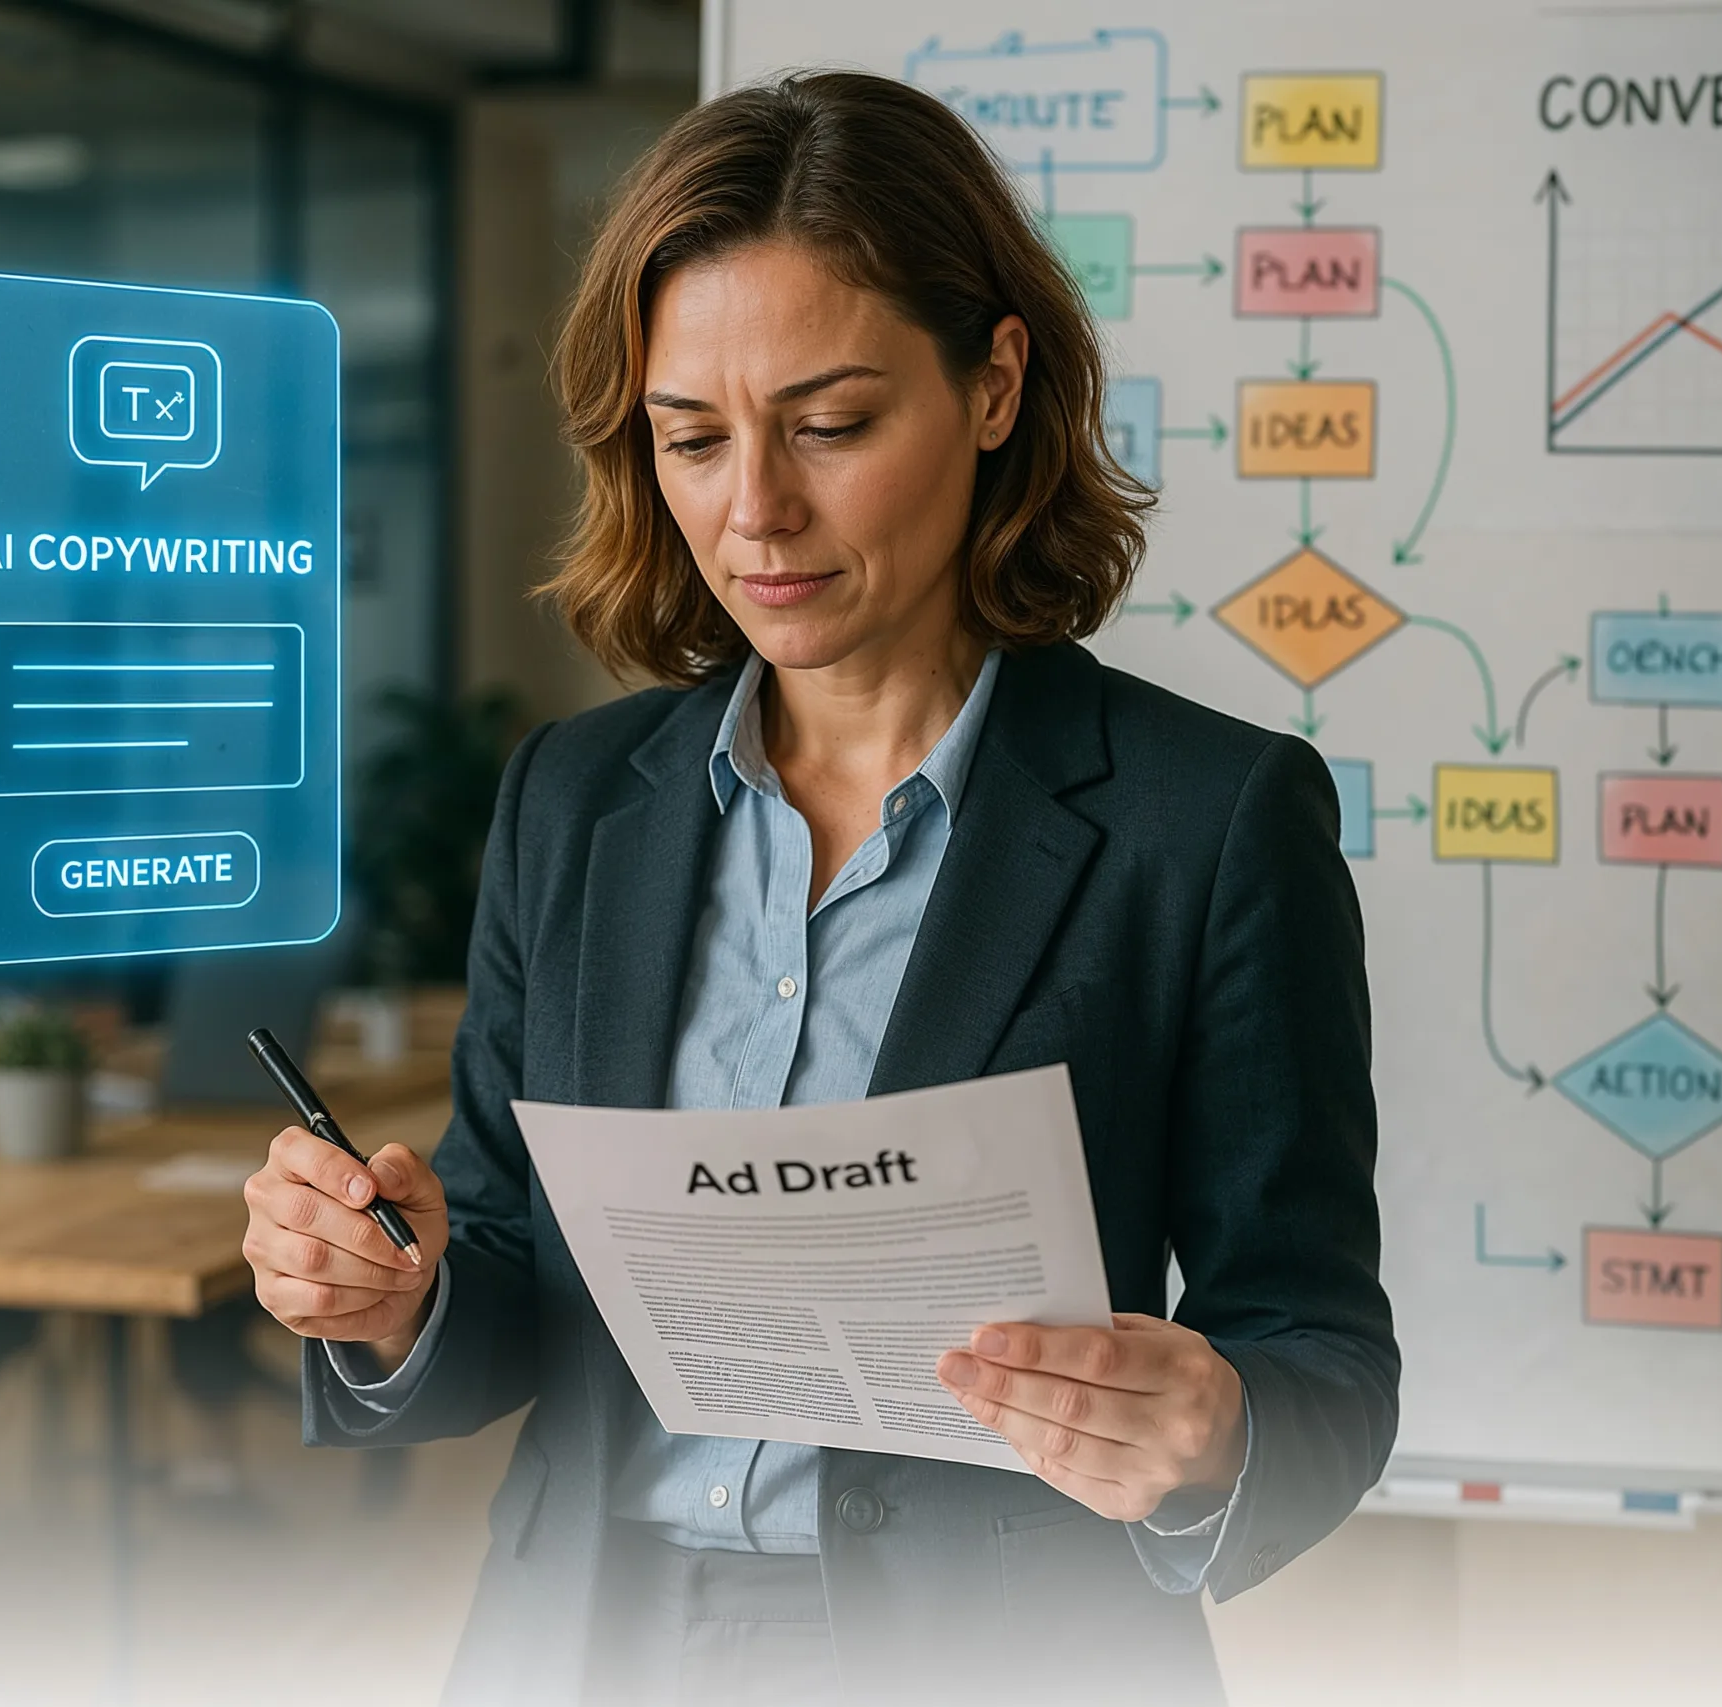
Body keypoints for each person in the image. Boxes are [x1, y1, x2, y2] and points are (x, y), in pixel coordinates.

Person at [242, 72, 1396, 1705]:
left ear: (994, 383)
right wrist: (395, 1291)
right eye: (691, 437)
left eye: (832, 424)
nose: (752, 510)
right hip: (583, 1641)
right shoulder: (575, 801)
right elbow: (509, 1273)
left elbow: (1323, 1351)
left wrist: (1213, 1435)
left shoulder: (1204, 822)